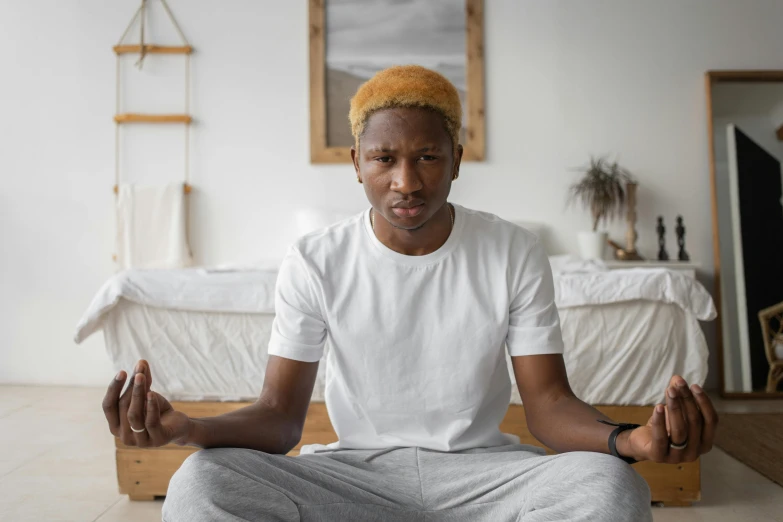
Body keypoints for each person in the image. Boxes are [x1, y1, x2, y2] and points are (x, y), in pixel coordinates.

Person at [101, 65, 718, 522]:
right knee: (199, 486)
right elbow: (280, 419)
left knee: (613, 489)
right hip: (351, 478)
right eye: (384, 159)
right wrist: (186, 428)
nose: (406, 181)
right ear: (356, 163)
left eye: (427, 157)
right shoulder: (316, 260)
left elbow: (549, 407)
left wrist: (630, 440)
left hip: (486, 476)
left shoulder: (512, 251)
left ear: (455, 160)